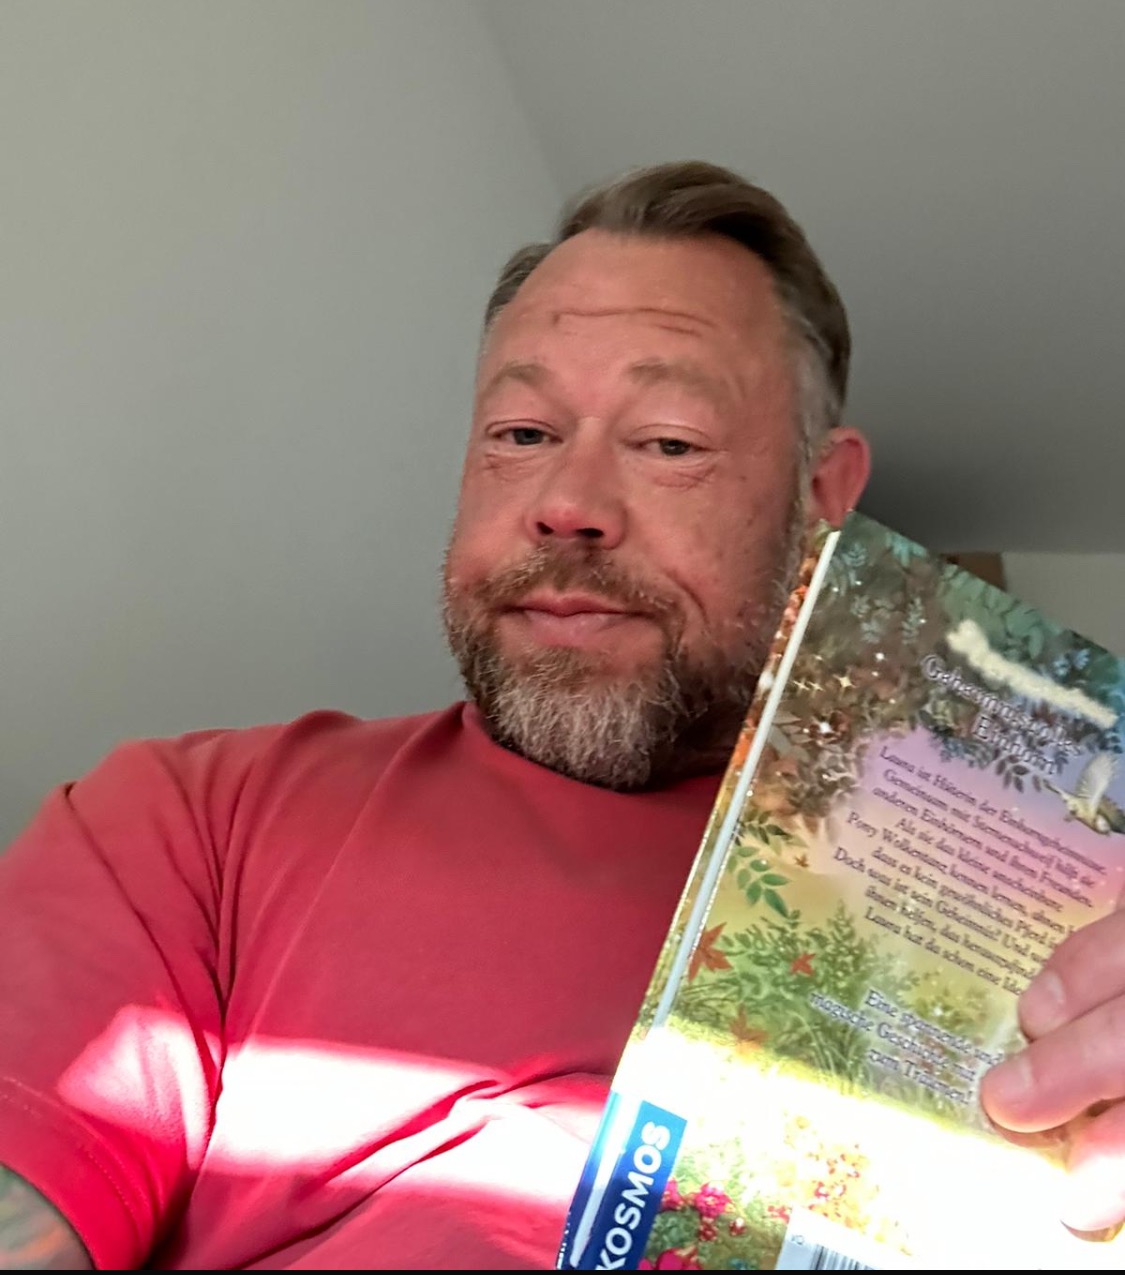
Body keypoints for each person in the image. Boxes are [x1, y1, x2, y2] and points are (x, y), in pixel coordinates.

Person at [0, 162, 1119, 1271]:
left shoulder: (1042, 896)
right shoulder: (190, 822)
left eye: (669, 442)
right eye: (523, 433)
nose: (567, 505)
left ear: (821, 495)